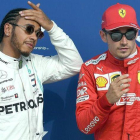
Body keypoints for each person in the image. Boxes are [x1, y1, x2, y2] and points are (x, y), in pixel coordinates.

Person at [0, 1, 83, 140]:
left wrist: (51, 27)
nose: (34, 37)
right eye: (28, 29)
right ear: (8, 29)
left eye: (38, 33)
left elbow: (74, 64)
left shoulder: (35, 63)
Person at [76, 3, 140, 140]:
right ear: (103, 36)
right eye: (116, 35)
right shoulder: (90, 69)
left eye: (129, 34)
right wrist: (106, 101)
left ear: (136, 34)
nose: (124, 41)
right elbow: (84, 126)